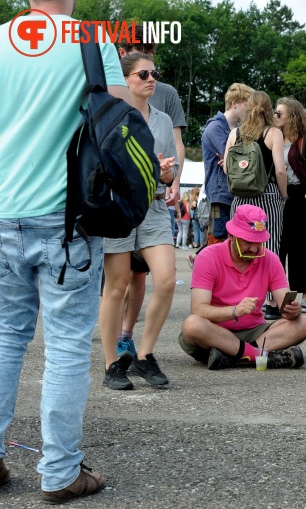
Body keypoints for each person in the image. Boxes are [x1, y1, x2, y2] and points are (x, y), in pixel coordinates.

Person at [0, 0, 127, 500]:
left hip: (3, 208)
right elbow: (119, 124)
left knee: (6, 337)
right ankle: (59, 473)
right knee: (68, 344)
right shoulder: (90, 40)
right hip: (68, 211)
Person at [99, 53, 178, 391]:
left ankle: (144, 355)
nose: (151, 79)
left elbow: (170, 172)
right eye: (143, 73)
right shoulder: (109, 116)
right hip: (118, 208)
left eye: (154, 73)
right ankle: (111, 364)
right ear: (126, 78)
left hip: (154, 208)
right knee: (116, 287)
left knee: (167, 280)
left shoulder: (161, 120)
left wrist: (166, 174)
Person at [179, 205, 306, 369]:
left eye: (259, 242)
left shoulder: (270, 259)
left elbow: (285, 304)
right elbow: (198, 309)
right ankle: (260, 356)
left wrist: (293, 311)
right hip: (214, 332)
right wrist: (234, 311)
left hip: (255, 332)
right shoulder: (207, 257)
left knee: (303, 323)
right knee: (192, 325)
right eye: (248, 242)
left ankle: (237, 356)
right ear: (231, 236)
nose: (255, 249)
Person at [224, 91, 288, 317]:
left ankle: (238, 297)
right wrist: (284, 195)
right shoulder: (274, 133)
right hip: (267, 195)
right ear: (270, 110)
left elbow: (226, 168)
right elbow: (280, 170)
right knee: (268, 248)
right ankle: (270, 303)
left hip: (240, 199)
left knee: (238, 248)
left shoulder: (235, 133)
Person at [273, 97, 306, 313]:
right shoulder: (274, 138)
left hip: (300, 195)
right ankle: (278, 296)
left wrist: (305, 199)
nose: (275, 116)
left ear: (291, 116)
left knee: (301, 249)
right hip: (278, 196)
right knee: (278, 247)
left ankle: (305, 297)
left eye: (279, 113)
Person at [202, 83, 253, 244]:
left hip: (231, 192)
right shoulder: (215, 128)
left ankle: (199, 257)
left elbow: (236, 159)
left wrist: (234, 159)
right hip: (220, 194)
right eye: (246, 105)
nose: (249, 110)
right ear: (234, 103)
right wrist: (236, 159)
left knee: (229, 239)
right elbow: (237, 160)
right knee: (219, 237)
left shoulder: (236, 129)